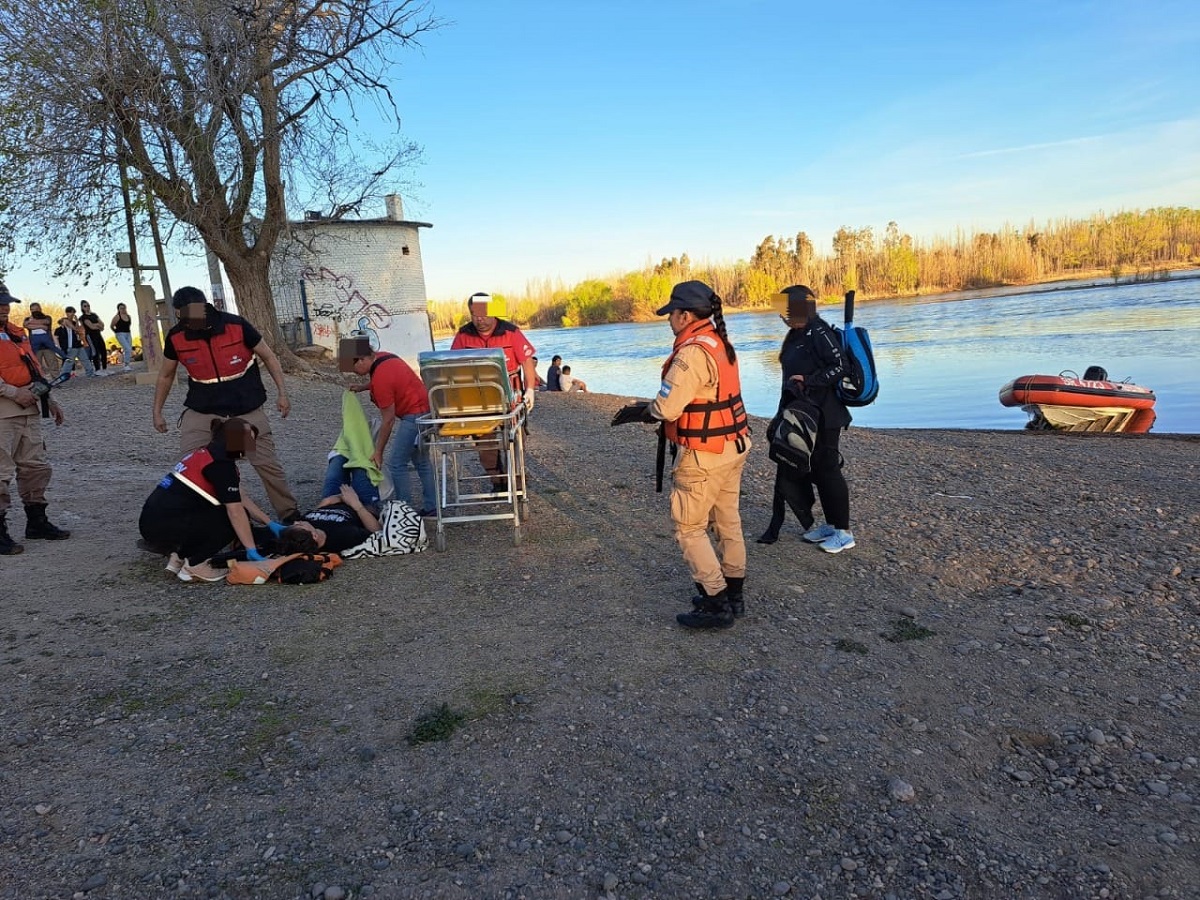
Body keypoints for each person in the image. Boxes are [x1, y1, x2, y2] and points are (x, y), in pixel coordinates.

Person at [611, 280, 751, 630]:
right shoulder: (720, 342)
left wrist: (644, 411)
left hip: (704, 454)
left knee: (689, 527)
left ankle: (716, 603)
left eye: (671, 314)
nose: (668, 320)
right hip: (734, 445)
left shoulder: (691, 353)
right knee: (727, 520)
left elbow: (668, 407)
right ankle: (735, 594)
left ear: (685, 315)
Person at [152, 285, 298, 521]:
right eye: (181, 317)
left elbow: (269, 356)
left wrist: (283, 393)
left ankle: (289, 514)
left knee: (265, 464)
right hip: (202, 411)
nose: (186, 322)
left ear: (204, 307)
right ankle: (214, 518)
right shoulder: (176, 337)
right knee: (192, 466)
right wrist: (157, 412)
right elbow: (166, 375)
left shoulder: (236, 326)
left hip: (243, 410)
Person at [757, 285, 855, 554]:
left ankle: (844, 532)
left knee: (828, 470)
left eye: (785, 310)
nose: (781, 316)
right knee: (812, 470)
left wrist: (809, 381)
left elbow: (840, 367)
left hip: (826, 415)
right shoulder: (797, 334)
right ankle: (832, 524)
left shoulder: (819, 331)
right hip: (804, 414)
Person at [139, 417, 275, 582]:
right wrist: (251, 550)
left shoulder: (205, 454)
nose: (251, 448)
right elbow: (236, 511)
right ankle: (195, 565)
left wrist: (271, 524)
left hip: (151, 523)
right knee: (231, 519)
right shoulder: (222, 465)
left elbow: (239, 497)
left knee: (211, 510)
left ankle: (179, 558)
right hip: (167, 529)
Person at [0, 284, 70, 554]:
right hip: (5, 412)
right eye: (0, 303)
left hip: (29, 410)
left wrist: (49, 400)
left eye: (6, 302)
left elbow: (33, 371)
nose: (5, 307)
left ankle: (37, 522)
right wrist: (13, 393)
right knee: (1, 471)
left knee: (35, 467)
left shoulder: (16, 334)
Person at [449, 292, 536, 489]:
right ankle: (498, 481)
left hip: (511, 395)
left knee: (515, 438)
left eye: (483, 314)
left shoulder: (511, 332)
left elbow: (527, 361)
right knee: (484, 442)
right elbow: (452, 364)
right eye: (474, 314)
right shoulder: (463, 335)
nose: (479, 319)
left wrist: (530, 390)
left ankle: (519, 480)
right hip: (478, 398)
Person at [341, 338, 436, 516]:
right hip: (427, 411)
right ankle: (432, 507)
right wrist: (363, 387)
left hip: (413, 416)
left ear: (362, 359)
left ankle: (403, 510)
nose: (354, 372)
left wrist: (378, 452)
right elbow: (390, 379)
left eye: (353, 367)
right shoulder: (384, 357)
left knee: (396, 464)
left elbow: (388, 421)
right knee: (422, 462)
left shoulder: (380, 380)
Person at [22, 302, 63, 377]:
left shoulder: (47, 317)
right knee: (37, 365)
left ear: (40, 309)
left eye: (36, 309)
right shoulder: (27, 319)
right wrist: (41, 326)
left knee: (53, 363)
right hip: (35, 346)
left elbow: (46, 322)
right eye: (32, 310)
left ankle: (56, 379)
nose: (35, 311)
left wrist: (31, 323)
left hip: (47, 345)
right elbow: (25, 325)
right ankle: (41, 382)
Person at [54, 306, 95, 380]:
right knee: (68, 362)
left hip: (78, 344)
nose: (72, 314)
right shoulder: (63, 324)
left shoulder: (73, 323)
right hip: (70, 346)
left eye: (73, 312)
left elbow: (78, 330)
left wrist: (76, 321)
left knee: (85, 359)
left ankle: (90, 373)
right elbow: (56, 337)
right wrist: (59, 347)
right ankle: (63, 376)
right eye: (70, 312)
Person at [79, 300, 108, 376]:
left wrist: (97, 325)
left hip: (98, 334)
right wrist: (97, 325)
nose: (87, 307)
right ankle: (97, 369)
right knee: (95, 352)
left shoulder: (94, 315)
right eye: (85, 306)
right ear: (82, 307)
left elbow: (102, 324)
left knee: (103, 350)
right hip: (90, 336)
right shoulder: (83, 317)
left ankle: (105, 368)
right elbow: (91, 326)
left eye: (88, 305)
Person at [111, 302, 134, 370]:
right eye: (121, 308)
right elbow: (112, 325)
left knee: (129, 349)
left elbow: (129, 325)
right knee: (127, 348)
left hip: (128, 333)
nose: (123, 309)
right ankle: (126, 364)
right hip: (120, 334)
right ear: (118, 309)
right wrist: (116, 332)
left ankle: (127, 365)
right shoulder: (117, 317)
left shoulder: (128, 316)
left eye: (124, 308)